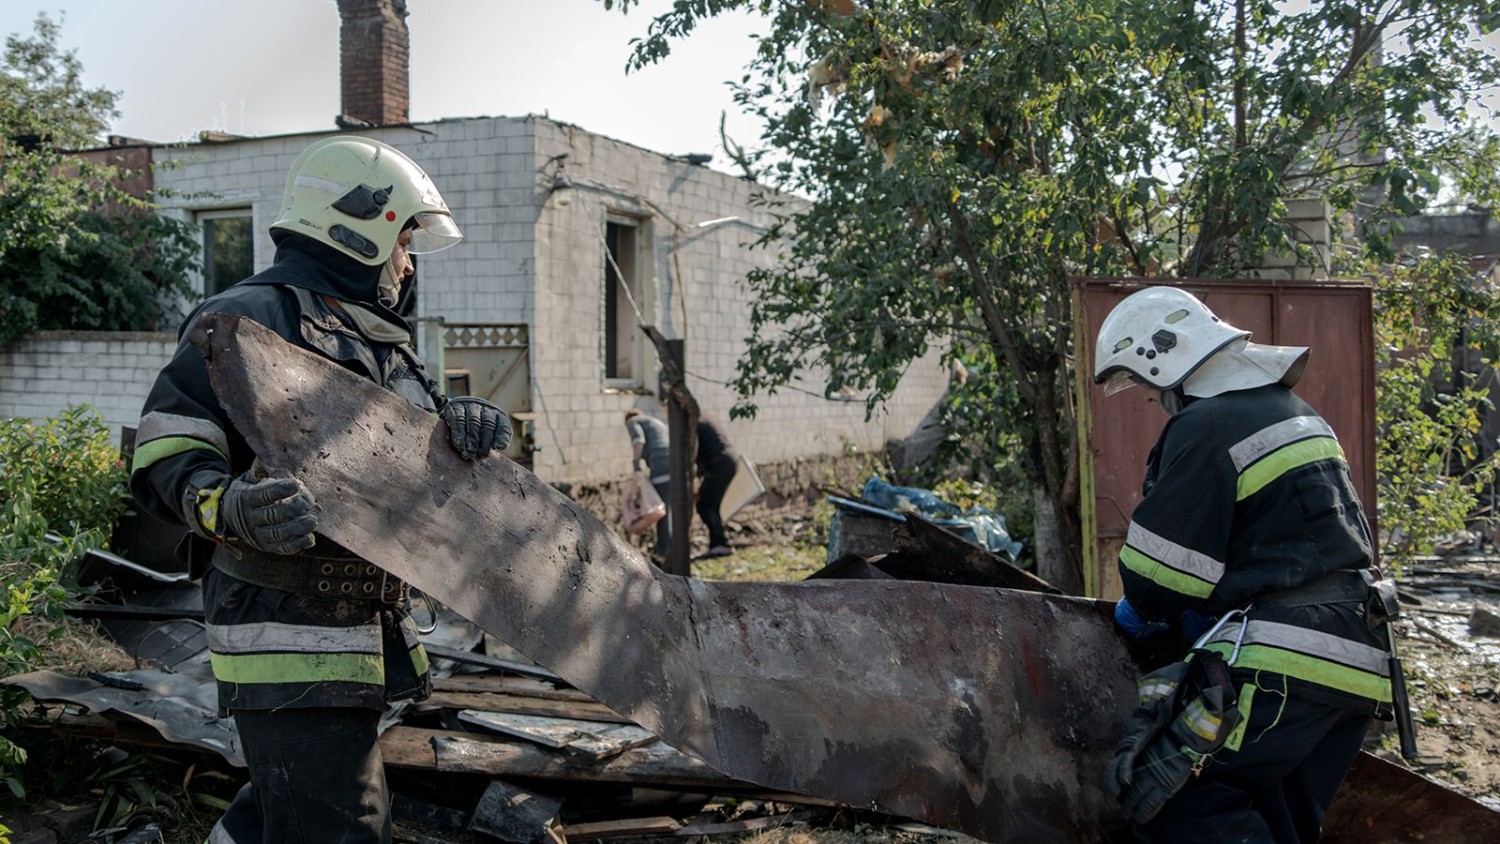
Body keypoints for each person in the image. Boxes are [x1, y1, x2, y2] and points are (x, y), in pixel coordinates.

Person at [129, 135, 512, 844]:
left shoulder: (379, 340)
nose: (406, 263)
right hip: (288, 629)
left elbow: (388, 473)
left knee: (283, 812)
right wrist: (228, 507)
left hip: (356, 629)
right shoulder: (247, 318)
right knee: (340, 827)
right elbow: (168, 444)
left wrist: (462, 432)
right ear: (358, 228)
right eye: (402, 241)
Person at [1093, 287, 1398, 844]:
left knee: (1172, 799)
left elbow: (1158, 577)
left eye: (1149, 385)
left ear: (1169, 359)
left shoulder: (1208, 424)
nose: (1153, 400)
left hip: (1288, 662)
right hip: (1357, 658)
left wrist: (1147, 610)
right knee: (1281, 820)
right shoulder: (1297, 413)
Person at [624, 408, 672, 559]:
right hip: (674, 464)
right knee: (669, 508)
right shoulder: (657, 423)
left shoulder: (633, 421)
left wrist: (636, 465)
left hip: (660, 463)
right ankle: (670, 548)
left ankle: (663, 551)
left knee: (661, 508)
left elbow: (639, 441)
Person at [695, 414, 739, 558]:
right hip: (729, 461)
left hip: (718, 464)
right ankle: (720, 543)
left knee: (704, 506)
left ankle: (720, 544)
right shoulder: (706, 418)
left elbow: (692, 452)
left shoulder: (693, 424)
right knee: (713, 506)